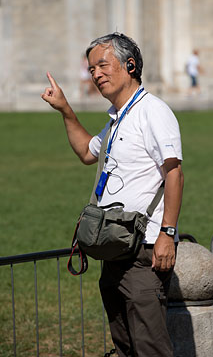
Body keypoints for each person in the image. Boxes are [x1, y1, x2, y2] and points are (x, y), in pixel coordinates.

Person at [41, 32, 184, 357]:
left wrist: (167, 233)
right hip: (115, 248)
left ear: (130, 65)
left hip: (143, 252)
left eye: (102, 65)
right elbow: (87, 153)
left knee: (150, 348)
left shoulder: (153, 112)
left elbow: (174, 173)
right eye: (91, 69)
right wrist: (65, 109)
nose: (96, 74)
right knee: (125, 345)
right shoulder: (117, 119)